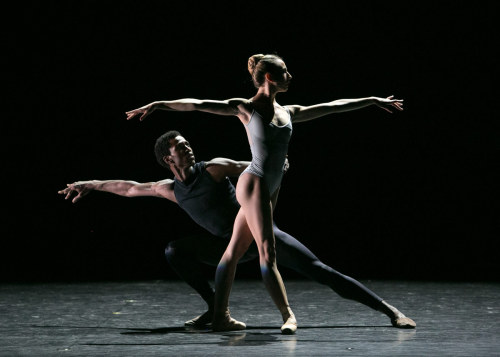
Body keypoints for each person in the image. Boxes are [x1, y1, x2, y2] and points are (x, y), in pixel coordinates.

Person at [125, 53, 406, 333]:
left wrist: (372, 100)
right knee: (266, 253)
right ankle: (286, 315)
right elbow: (197, 105)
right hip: (254, 182)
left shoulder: (289, 112)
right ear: (269, 78)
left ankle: (221, 316)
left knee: (242, 254)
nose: (290, 76)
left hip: (270, 188)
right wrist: (158, 104)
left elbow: (332, 107)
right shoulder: (246, 108)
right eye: (285, 71)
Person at [59, 130, 416, 333]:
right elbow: (128, 187)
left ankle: (390, 311)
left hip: (260, 235)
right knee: (174, 250)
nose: (188, 147)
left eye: (187, 143)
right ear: (169, 159)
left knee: (321, 271)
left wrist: (276, 164)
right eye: (180, 147)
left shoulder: (212, 169)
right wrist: (89, 184)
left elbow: (247, 165)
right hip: (226, 246)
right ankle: (216, 309)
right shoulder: (170, 188)